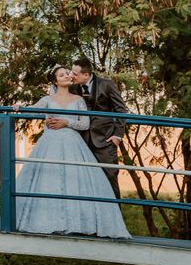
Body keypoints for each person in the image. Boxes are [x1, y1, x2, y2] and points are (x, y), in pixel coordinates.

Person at [9, 65, 131, 238]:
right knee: (50, 179)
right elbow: (31, 109)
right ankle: (48, 221)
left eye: (68, 73)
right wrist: (19, 106)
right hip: (50, 144)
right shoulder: (47, 100)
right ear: (55, 81)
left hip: (73, 144)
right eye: (62, 75)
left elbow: (85, 124)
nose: (67, 76)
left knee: (74, 181)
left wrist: (66, 122)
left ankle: (77, 222)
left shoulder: (78, 99)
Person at [69, 58, 128, 198]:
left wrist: (118, 136)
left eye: (75, 73)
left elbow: (121, 110)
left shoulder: (107, 85)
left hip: (105, 140)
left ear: (86, 75)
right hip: (81, 141)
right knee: (83, 180)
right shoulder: (72, 88)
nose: (72, 76)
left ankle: (114, 216)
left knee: (110, 178)